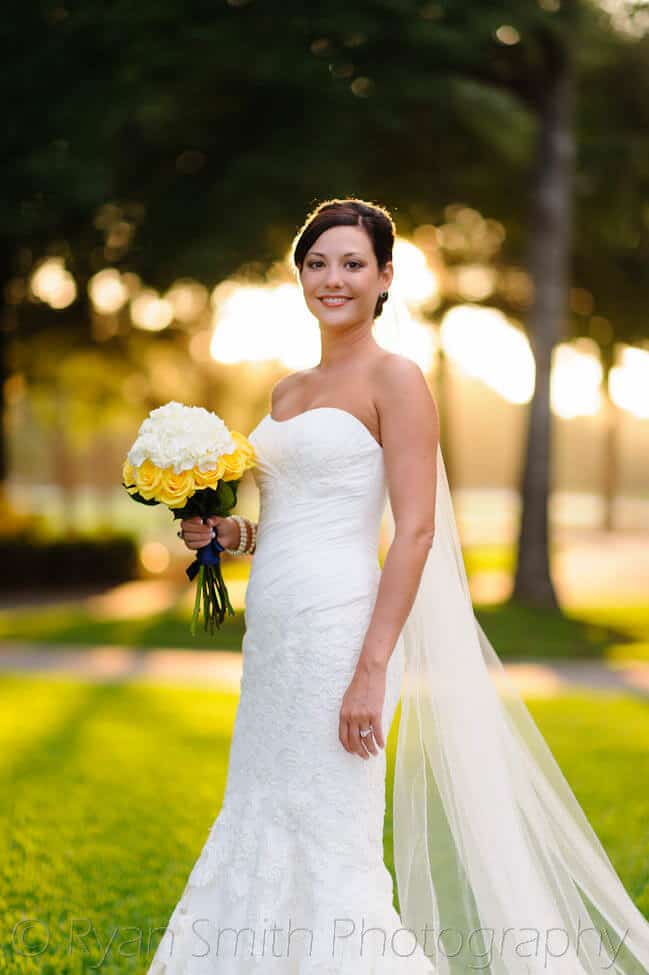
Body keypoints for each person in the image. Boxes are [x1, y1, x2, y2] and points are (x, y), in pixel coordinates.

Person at [146, 199, 649, 974]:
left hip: (341, 635)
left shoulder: (397, 379)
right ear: (299, 275)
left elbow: (414, 530)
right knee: (257, 812)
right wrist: (225, 535)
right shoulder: (284, 392)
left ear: (385, 277)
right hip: (274, 636)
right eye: (317, 263)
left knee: (329, 833)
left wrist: (372, 665)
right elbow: (284, 520)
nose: (332, 278)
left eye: (352, 264)